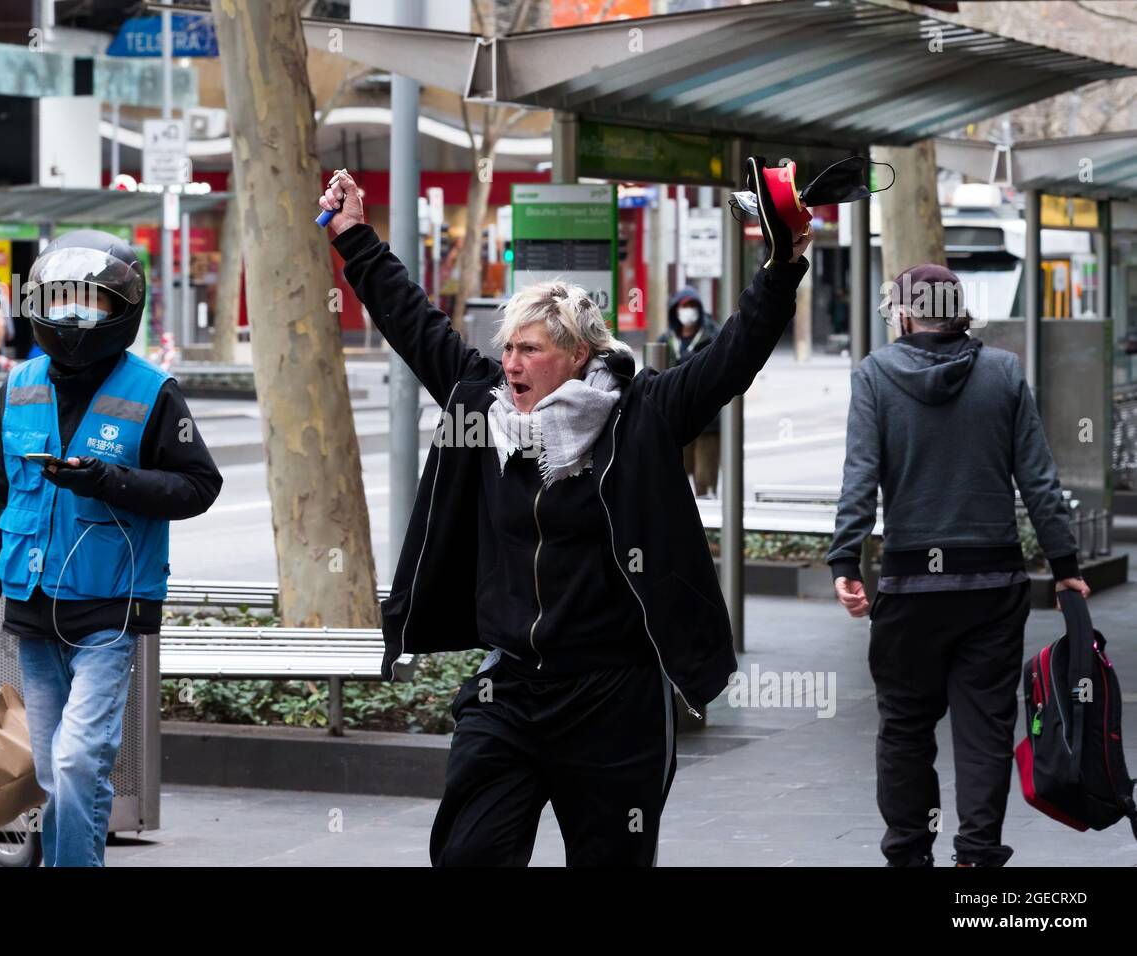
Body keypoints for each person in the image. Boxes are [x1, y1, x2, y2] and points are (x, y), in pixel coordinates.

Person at [319, 162, 811, 866]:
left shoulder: (645, 414)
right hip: (509, 686)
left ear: (577, 356)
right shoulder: (483, 409)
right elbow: (412, 321)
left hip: (615, 697)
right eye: (507, 349)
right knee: (469, 855)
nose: (511, 364)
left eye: (530, 350)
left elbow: (736, 355)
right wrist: (354, 235)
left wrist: (783, 261)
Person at [0, 230, 223, 867]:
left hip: (108, 612)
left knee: (77, 763)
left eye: (89, 301)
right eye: (62, 298)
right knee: (53, 772)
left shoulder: (154, 392)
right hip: (33, 612)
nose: (73, 314)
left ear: (119, 307)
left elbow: (199, 485)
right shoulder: (17, 386)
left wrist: (111, 481)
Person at [827, 263, 1090, 868]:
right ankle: (976, 856)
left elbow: (859, 475)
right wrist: (1066, 563)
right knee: (986, 728)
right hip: (992, 585)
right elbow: (1039, 478)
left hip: (911, 583)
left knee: (904, 730)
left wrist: (846, 557)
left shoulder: (874, 375)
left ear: (907, 311)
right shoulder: (1002, 372)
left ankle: (910, 856)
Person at [657, 288, 721, 496]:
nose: (688, 311)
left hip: (707, 421)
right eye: (684, 307)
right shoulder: (666, 339)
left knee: (705, 478)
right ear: (675, 310)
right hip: (676, 417)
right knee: (677, 477)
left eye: (692, 306)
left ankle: (709, 524)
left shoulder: (712, 336)